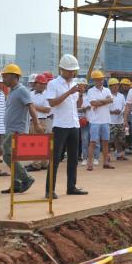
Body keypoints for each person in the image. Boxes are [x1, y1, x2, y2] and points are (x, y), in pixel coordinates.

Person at [46, 54, 89, 197]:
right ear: (62, 69)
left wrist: (80, 95)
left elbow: (77, 105)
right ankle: (49, 190)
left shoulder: (74, 83)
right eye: (70, 71)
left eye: (74, 71)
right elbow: (52, 102)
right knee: (55, 158)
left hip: (74, 124)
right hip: (60, 125)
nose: (72, 73)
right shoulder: (53, 84)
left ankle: (71, 186)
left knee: (73, 158)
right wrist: (69, 92)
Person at [0, 63, 44, 194]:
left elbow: (31, 106)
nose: (3, 80)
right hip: (10, 129)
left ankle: (26, 178)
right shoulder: (12, 91)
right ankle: (16, 184)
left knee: (7, 155)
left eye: (5, 77)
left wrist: (36, 124)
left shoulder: (21, 90)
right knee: (13, 156)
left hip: (16, 129)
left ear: (14, 76)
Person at [84, 70, 114, 171]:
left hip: (105, 120)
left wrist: (99, 101)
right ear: (94, 80)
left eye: (101, 79)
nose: (100, 81)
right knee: (93, 142)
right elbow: (93, 103)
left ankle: (105, 162)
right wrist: (105, 101)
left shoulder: (107, 90)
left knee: (105, 142)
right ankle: (90, 163)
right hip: (95, 121)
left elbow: (111, 100)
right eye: (98, 80)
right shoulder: (91, 91)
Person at [108, 77, 127, 161]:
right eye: (114, 85)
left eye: (117, 85)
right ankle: (107, 156)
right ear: (110, 86)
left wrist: (121, 111)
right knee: (109, 140)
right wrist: (112, 112)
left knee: (120, 139)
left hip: (120, 121)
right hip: (110, 121)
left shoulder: (121, 96)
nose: (116, 87)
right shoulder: (107, 96)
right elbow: (104, 108)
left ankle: (120, 155)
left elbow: (125, 106)